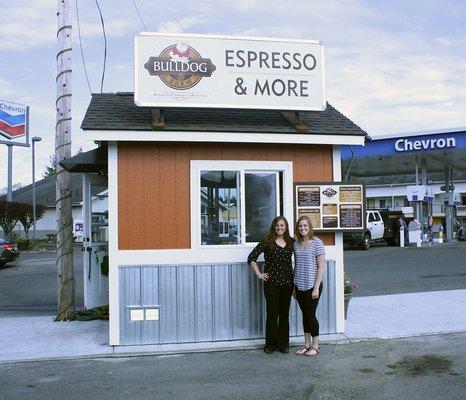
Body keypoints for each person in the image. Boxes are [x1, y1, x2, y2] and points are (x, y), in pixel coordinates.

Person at [247, 216, 294, 354]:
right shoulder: (267, 241)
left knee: (284, 314)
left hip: (287, 283)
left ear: (286, 227)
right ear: (274, 226)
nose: (280, 228)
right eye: (277, 225)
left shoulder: (291, 242)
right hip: (271, 284)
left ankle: (284, 344)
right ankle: (270, 344)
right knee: (272, 314)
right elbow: (251, 258)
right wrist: (259, 274)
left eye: (282, 225)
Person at [293, 215, 325, 357]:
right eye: (300, 226)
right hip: (299, 285)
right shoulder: (295, 244)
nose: (303, 228)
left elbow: (321, 266)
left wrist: (316, 287)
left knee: (310, 315)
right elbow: (296, 267)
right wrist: (293, 286)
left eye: (305, 226)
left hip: (313, 286)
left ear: (310, 227)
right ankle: (306, 345)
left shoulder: (317, 242)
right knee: (305, 315)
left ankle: (316, 345)